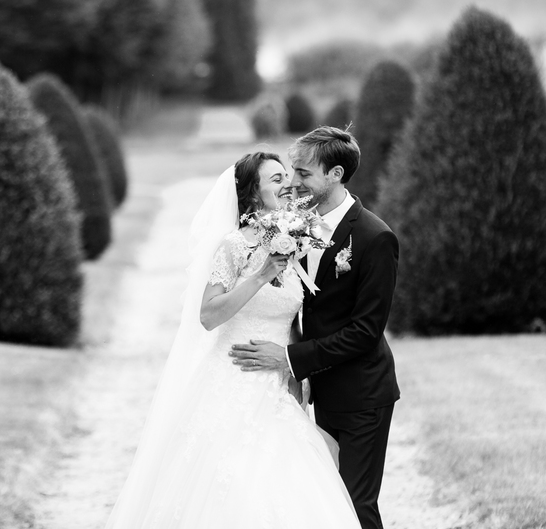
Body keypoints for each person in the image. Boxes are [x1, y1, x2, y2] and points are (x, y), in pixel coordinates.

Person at [105, 151, 361, 528]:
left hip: (276, 386)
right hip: (231, 380)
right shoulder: (234, 246)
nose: (287, 185)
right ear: (253, 193)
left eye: (287, 177)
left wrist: (295, 372)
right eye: (275, 179)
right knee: (231, 485)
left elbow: (291, 317)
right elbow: (208, 315)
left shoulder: (294, 244)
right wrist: (259, 275)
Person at [230, 127, 400, 529]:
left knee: (354, 507)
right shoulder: (294, 226)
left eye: (304, 173)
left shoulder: (376, 238)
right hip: (320, 390)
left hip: (362, 396)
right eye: (291, 172)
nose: (293, 181)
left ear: (335, 174)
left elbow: (365, 332)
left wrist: (289, 358)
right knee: (321, 505)